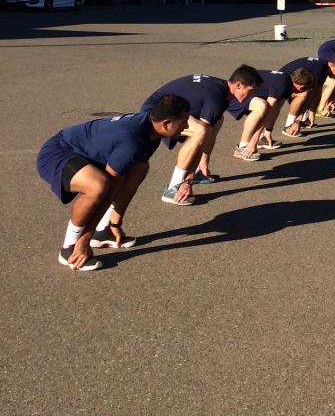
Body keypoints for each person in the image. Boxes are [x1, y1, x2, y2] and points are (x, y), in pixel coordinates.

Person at [36, 95, 191, 271]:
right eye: (184, 121)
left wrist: (114, 224)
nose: (186, 126)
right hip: (58, 152)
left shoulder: (152, 131)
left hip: (87, 154)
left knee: (140, 169)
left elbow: (126, 180)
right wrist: (85, 239)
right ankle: (69, 249)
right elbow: (110, 191)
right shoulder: (132, 140)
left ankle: (104, 231)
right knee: (98, 186)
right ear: (166, 124)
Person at [141, 66, 263, 204]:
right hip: (154, 113)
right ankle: (174, 187)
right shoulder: (217, 96)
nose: (251, 95)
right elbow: (202, 137)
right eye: (250, 90)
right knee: (201, 131)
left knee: (216, 121)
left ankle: (200, 170)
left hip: (170, 110)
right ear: (239, 85)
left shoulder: (222, 89)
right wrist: (188, 180)